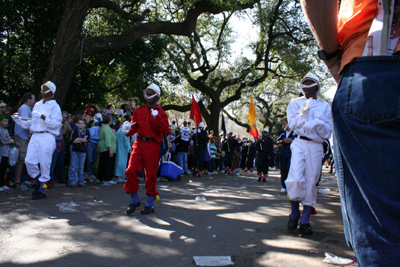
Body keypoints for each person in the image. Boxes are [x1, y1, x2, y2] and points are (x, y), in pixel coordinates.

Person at [300, 1, 400, 263]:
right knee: (295, 182)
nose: (307, 89)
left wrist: (332, 57)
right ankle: (296, 215)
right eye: (304, 86)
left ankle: (303, 216)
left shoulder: (321, 105)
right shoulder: (294, 106)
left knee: (380, 232)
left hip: (374, 65)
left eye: (311, 85)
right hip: (301, 145)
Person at [285, 73, 332, 235]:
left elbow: (327, 132)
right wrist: (303, 113)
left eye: (311, 82)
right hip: (299, 142)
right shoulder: (294, 104)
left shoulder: (325, 107)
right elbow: (293, 125)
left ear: (317, 86)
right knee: (296, 177)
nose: (308, 83)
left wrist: (317, 123)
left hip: (316, 145)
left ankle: (305, 220)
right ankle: (294, 212)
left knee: (311, 180)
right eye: (305, 82)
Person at [123, 83, 169, 215]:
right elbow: (133, 128)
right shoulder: (139, 110)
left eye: (151, 93)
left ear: (157, 96)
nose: (148, 95)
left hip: (153, 145)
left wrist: (158, 117)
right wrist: (126, 130)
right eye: (147, 93)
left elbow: (165, 130)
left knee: (151, 175)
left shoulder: (161, 113)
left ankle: (149, 203)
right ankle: (134, 199)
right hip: (139, 144)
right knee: (131, 170)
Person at [12, 81, 62, 199]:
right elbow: (31, 122)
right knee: (29, 160)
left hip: (47, 135)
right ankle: (37, 179)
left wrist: (44, 118)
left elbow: (56, 124)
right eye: (42, 88)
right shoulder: (38, 104)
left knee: (45, 163)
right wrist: (18, 120)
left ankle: (41, 188)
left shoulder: (55, 106)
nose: (42, 91)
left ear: (50, 91)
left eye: (44, 88)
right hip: (35, 135)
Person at [13, 92, 35, 188]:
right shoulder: (25, 108)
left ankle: (24, 178)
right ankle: (17, 181)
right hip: (21, 137)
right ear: (28, 99)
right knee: (21, 159)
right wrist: (29, 133)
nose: (34, 101)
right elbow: (25, 122)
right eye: (33, 99)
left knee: (25, 158)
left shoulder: (27, 108)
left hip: (24, 137)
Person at [69, 118, 89, 187]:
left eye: (82, 123)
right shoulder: (75, 131)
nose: (80, 124)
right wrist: (83, 139)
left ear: (85, 125)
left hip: (83, 151)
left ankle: (80, 181)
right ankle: (73, 181)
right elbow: (72, 141)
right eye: (79, 123)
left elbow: (87, 140)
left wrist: (78, 139)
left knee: (81, 167)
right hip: (75, 150)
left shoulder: (87, 132)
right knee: (74, 166)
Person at [97, 114, 117, 186]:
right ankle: (107, 179)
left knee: (102, 163)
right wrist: (110, 149)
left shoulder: (103, 127)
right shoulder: (107, 128)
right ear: (109, 121)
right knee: (107, 164)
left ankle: (101, 178)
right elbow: (108, 140)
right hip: (106, 149)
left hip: (103, 148)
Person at [276, 118, 295, 193]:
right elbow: (277, 141)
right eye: (283, 123)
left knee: (289, 169)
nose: (284, 125)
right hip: (283, 153)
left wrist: (291, 140)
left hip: (291, 153)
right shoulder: (282, 132)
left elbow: (298, 140)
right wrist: (283, 141)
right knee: (283, 170)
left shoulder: (294, 132)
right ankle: (283, 185)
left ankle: (290, 185)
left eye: (285, 123)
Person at [0, 114, 13, 191]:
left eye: (7, 121)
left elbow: (8, 139)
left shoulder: (6, 130)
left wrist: (8, 140)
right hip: (1, 152)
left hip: (6, 152)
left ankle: (3, 183)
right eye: (4, 121)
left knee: (4, 168)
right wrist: (9, 141)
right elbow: (3, 141)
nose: (6, 122)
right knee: (1, 169)